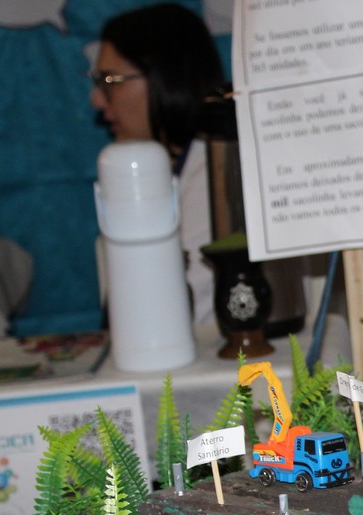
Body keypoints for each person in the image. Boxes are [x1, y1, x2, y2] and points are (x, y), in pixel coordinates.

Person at [89, 3, 224, 326]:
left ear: (166, 77)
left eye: (111, 80)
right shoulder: (170, 168)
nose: (97, 100)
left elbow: (174, 313)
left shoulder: (214, 174)